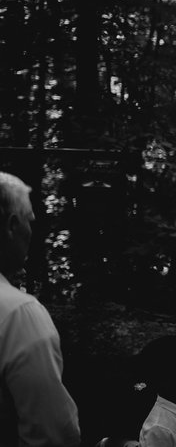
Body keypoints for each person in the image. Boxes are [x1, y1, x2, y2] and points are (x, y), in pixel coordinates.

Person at [0, 171, 81, 447]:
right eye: (29, 221)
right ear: (12, 225)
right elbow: (52, 434)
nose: (32, 231)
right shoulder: (17, 313)